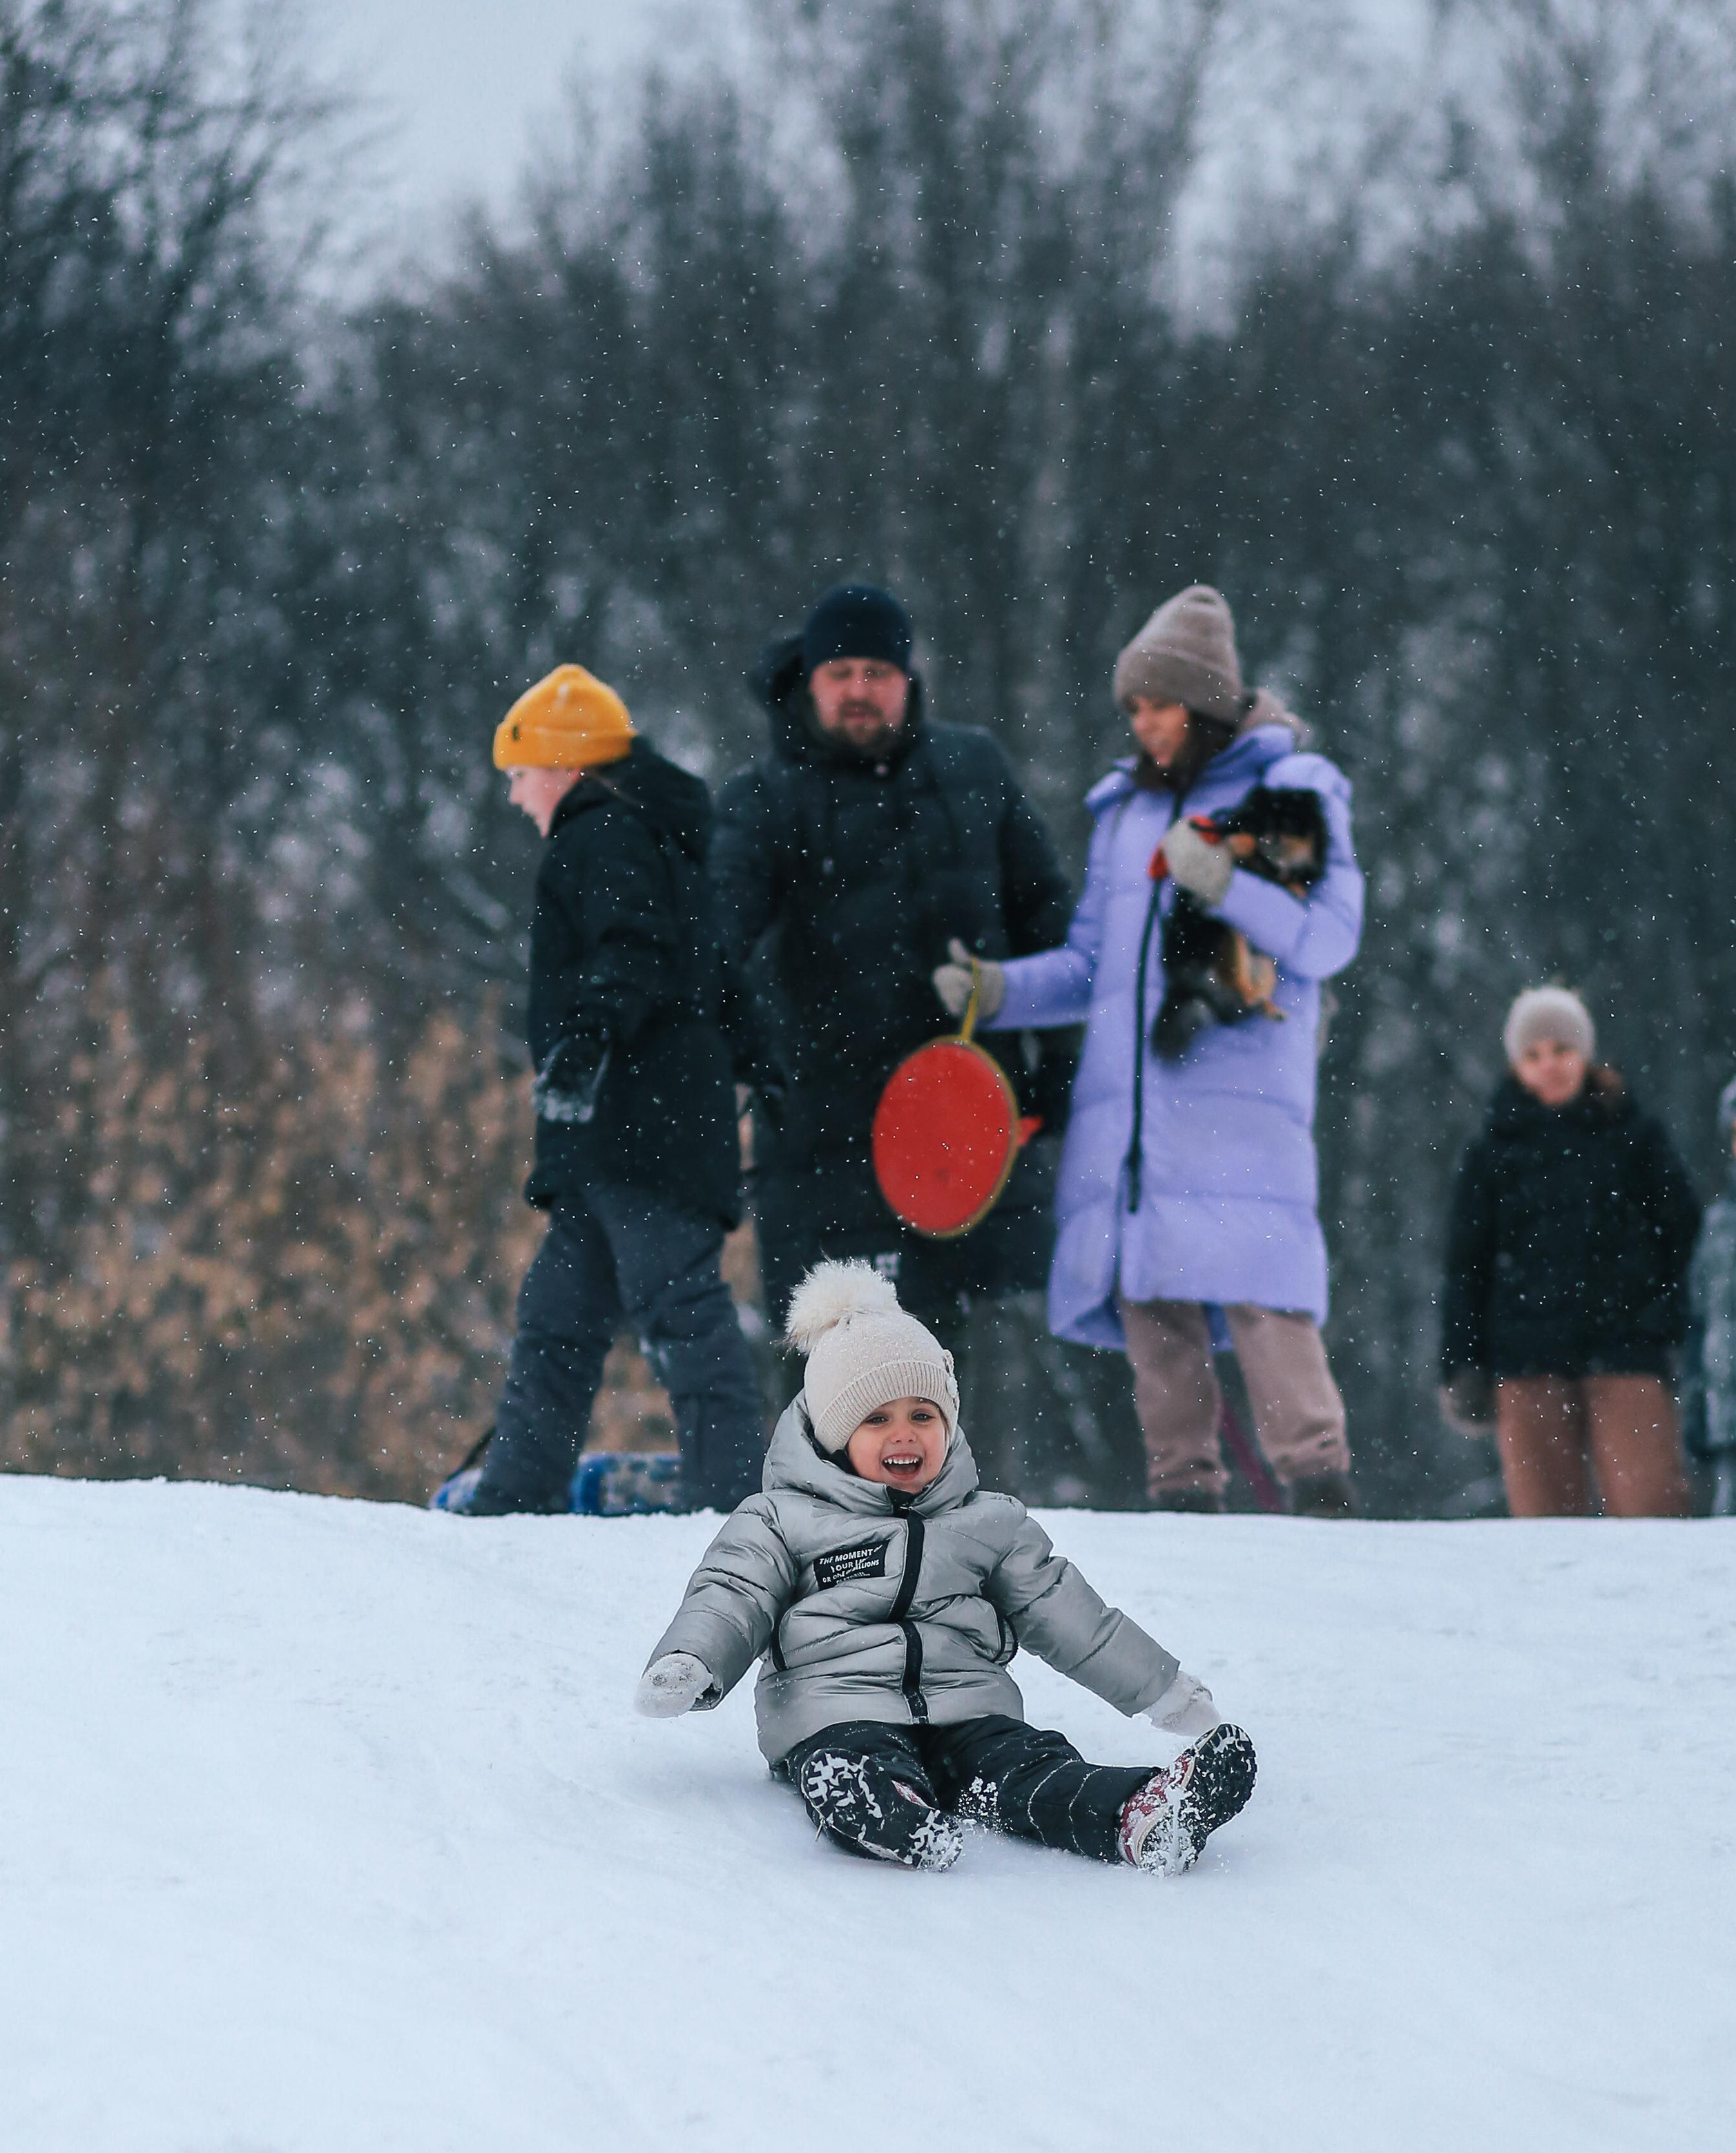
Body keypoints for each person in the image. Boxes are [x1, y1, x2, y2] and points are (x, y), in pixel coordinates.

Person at [930, 586, 1364, 1515]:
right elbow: (1094, 963)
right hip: (1130, 1113)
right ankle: (1183, 1494)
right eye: (1133, 707)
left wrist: (1225, 881)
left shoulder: (1292, 792)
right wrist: (1001, 993)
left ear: (1204, 705)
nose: (1144, 724)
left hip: (1237, 1103)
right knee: (1152, 1303)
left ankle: (1320, 1486)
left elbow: (1326, 939)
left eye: (1159, 705)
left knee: (1259, 1293)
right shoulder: (1126, 814)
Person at [633, 1262, 1256, 1875]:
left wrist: (1162, 1690)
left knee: (1029, 1768)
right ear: (832, 1435)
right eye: (876, 1419)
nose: (903, 1435)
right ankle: (880, 1809)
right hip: (835, 1710)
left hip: (970, 1708)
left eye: (922, 1415)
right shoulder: (780, 1519)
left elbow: (1069, 1615)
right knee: (856, 1759)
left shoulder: (990, 1522)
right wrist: (692, 1661)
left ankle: (1141, 1814)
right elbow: (732, 1594)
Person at [708, 581, 1075, 1338]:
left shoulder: (975, 771)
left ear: (909, 682)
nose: (857, 692)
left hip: (974, 1128)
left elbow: (1049, 919)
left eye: (876, 674)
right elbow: (715, 941)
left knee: (964, 1373)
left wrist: (1063, 1061)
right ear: (808, 682)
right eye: (839, 674)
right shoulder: (764, 801)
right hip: (826, 1139)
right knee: (838, 1377)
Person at [463, 664, 766, 1516]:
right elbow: (717, 976)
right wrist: (759, 1061)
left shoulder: (603, 836)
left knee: (682, 1322)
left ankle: (743, 1507)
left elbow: (632, 949)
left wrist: (585, 1042)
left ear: (562, 766)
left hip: (641, 1133)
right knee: (557, 1322)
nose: (518, 798)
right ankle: (514, 1501)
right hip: (619, 1137)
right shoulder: (659, 838)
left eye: (520, 777)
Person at [1438, 986, 1701, 1518]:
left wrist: (1670, 1323)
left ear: (1586, 1054)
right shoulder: (1492, 1153)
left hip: (1627, 1351)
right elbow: (1465, 1265)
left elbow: (1685, 1238)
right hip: (1526, 1359)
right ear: (1516, 1065)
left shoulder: (1636, 1136)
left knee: (1653, 1518)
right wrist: (1462, 1362)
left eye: (1561, 1050)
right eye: (1533, 1056)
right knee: (1545, 1533)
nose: (1549, 1066)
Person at [1684, 1052, 1736, 1517]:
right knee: (1735, 1561)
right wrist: (1697, 1407)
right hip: (1732, 1431)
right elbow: (1701, 1321)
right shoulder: (1721, 1221)